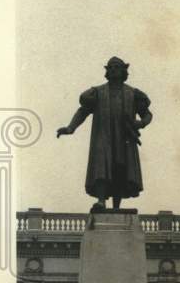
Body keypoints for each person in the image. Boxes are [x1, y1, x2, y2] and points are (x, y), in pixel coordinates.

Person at [56, 56, 152, 210]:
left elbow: (147, 114)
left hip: (124, 138)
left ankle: (116, 207)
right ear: (107, 71)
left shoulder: (133, 93)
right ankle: (101, 201)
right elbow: (83, 111)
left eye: (117, 67)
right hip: (103, 137)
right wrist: (70, 128)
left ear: (123, 71)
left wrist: (140, 123)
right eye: (111, 67)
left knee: (121, 168)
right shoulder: (97, 92)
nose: (114, 70)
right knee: (101, 166)